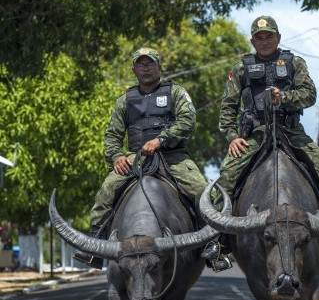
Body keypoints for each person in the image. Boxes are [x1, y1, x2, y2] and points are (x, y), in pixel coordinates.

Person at [202, 15, 319, 260]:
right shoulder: (241, 68)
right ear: (252, 41)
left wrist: (284, 97)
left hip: (290, 131)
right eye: (259, 37)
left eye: (269, 36)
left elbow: (309, 95)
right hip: (255, 134)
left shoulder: (294, 62)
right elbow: (227, 107)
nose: (264, 41)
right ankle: (218, 240)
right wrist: (233, 137)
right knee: (226, 178)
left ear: (278, 37)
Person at [74, 47, 231, 271]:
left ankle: (215, 246)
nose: (145, 68)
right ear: (134, 69)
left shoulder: (175, 92)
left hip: (173, 155)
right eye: (141, 64)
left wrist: (161, 140)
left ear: (159, 67)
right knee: (105, 192)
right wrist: (116, 156)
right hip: (135, 157)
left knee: (201, 190)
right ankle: (95, 247)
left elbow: (188, 121)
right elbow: (112, 134)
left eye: (150, 64)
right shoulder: (124, 100)